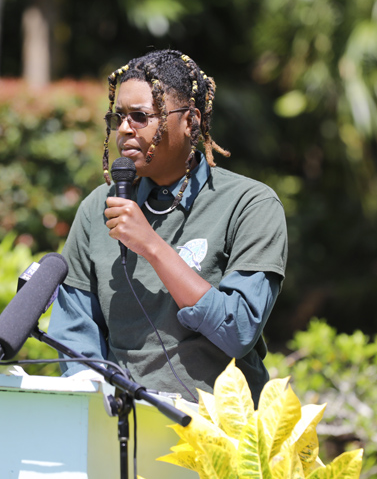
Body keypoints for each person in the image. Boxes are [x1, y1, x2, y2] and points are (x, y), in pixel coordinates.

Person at [48, 49, 287, 404]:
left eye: (140, 116)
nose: (124, 129)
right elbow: (75, 335)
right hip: (122, 421)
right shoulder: (98, 208)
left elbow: (238, 330)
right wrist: (100, 401)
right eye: (118, 117)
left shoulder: (250, 204)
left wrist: (152, 246)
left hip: (219, 425)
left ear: (189, 120)